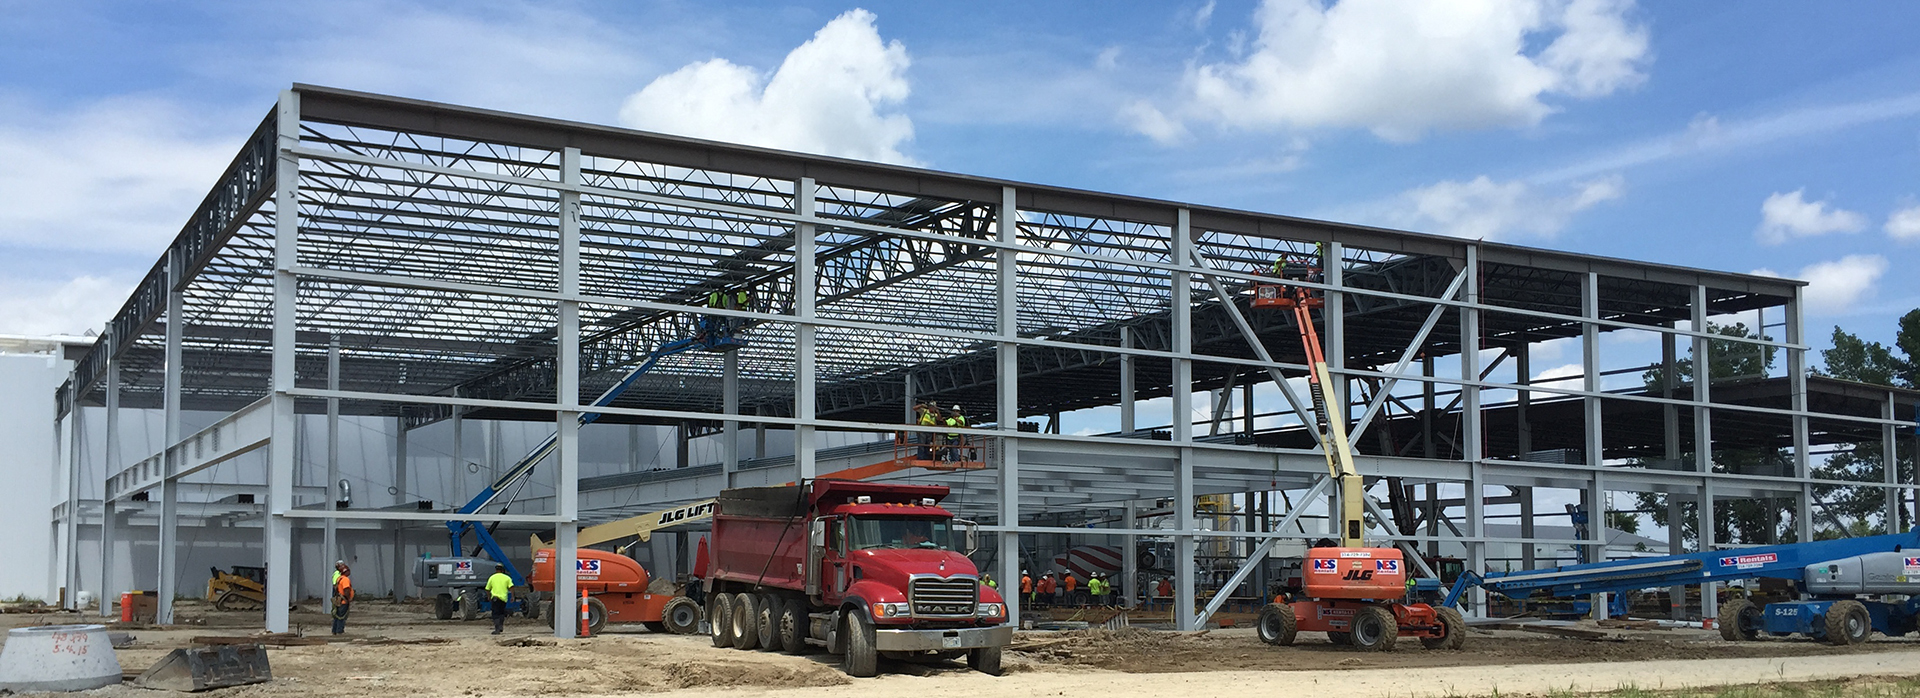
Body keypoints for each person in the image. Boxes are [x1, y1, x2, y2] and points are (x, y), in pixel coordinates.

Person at [486, 563, 513, 635]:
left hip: (495, 599)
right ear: (502, 570)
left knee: (495, 614)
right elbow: (511, 587)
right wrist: (513, 596)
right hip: (503, 599)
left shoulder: (492, 577)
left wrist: (489, 597)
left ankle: (497, 629)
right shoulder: (507, 578)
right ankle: (501, 626)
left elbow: (487, 589)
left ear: (496, 569)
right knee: (501, 613)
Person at [330, 564, 355, 635]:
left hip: (339, 600)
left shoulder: (339, 579)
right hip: (343, 601)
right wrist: (348, 598)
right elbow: (346, 590)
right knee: (341, 616)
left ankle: (334, 630)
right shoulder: (345, 580)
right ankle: (339, 631)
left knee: (337, 616)